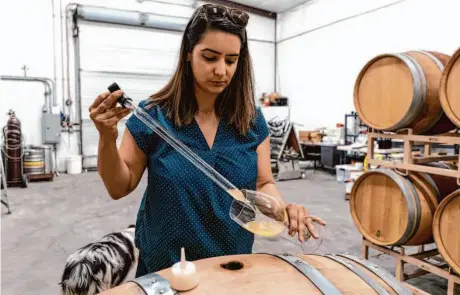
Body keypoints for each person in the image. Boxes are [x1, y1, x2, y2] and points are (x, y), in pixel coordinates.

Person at [89, 3, 325, 277]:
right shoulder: (153, 116)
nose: (221, 70)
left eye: (231, 60)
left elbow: (263, 182)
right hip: (167, 269)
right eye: (210, 57)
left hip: (232, 265)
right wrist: (107, 138)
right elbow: (120, 186)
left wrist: (285, 210)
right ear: (189, 54)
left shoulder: (250, 120)